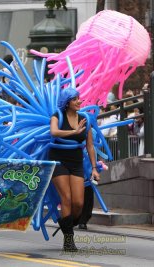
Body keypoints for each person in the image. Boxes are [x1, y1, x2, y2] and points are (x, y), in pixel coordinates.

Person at [49, 88, 100, 252]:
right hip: (58, 160)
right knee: (67, 198)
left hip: (76, 162)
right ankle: (68, 240)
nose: (79, 101)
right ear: (67, 102)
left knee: (78, 203)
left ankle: (67, 224)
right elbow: (54, 132)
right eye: (75, 99)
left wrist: (94, 168)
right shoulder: (57, 115)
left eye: (79, 98)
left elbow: (90, 146)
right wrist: (74, 131)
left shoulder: (85, 118)